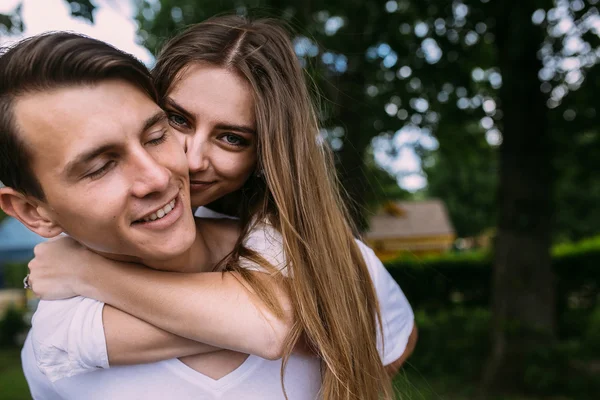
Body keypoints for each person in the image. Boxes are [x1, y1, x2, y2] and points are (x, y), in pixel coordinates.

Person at [18, 16, 416, 400]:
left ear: (264, 156)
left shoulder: (316, 251)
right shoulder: (65, 313)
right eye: (177, 120)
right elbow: (273, 322)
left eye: (231, 138)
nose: (193, 161)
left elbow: (392, 343)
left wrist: (89, 272)